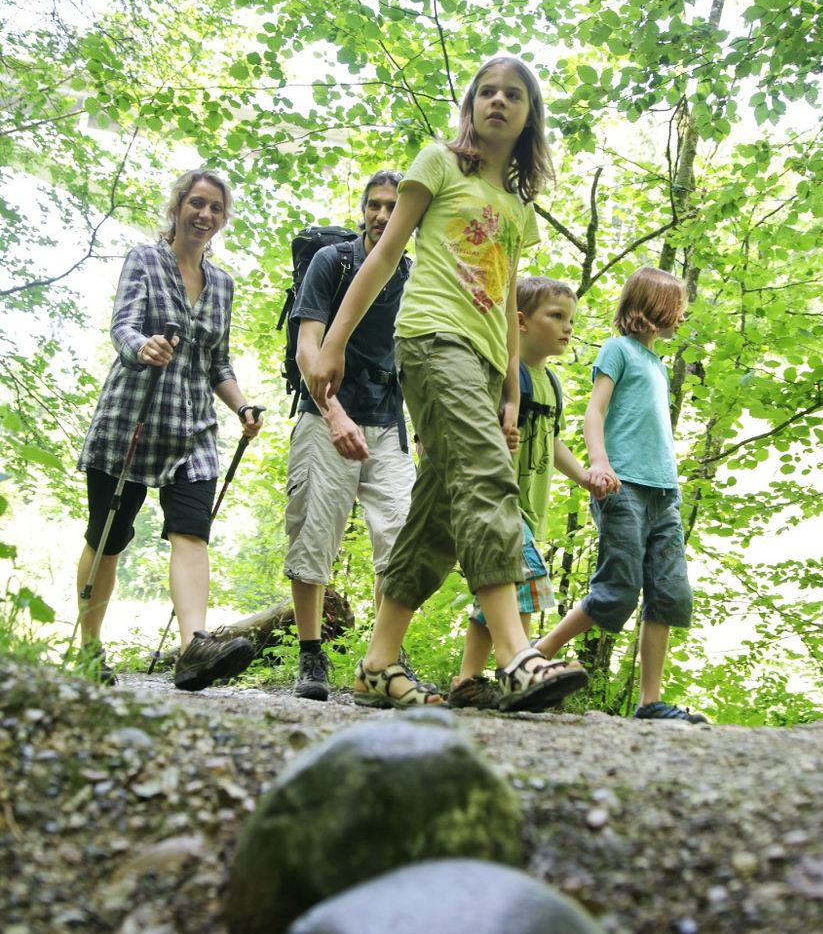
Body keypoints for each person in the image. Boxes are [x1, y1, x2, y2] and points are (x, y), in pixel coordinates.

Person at [308, 55, 588, 713]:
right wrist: (333, 342)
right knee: (491, 482)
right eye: (486, 91)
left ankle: (378, 664)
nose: (498, 101)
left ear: (529, 115)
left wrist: (514, 394)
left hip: (489, 366)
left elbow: (506, 305)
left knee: (435, 518)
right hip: (432, 340)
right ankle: (519, 656)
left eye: (513, 94)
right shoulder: (437, 162)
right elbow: (384, 254)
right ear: (471, 105)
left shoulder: (519, 207)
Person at [76, 169, 263, 690]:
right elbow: (123, 326)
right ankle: (90, 648)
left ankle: (193, 649)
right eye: (196, 204)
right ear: (178, 206)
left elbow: (217, 362)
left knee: (191, 531)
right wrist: (143, 347)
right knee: (108, 536)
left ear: (223, 219)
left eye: (216, 209)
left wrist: (242, 406)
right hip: (132, 417)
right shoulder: (145, 259)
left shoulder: (223, 284)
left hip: (193, 427)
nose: (205, 215)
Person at [535, 265, 708, 723]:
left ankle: (650, 702)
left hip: (664, 494)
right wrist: (599, 463)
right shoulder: (619, 351)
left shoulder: (656, 363)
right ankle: (537, 655)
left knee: (669, 594)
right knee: (617, 590)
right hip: (623, 487)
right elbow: (596, 413)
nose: (681, 316)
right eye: (677, 308)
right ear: (653, 309)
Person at [285, 170, 416, 701]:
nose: (383, 215)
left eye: (393, 206)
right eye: (375, 205)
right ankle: (311, 657)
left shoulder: (416, 274)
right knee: (313, 532)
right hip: (326, 414)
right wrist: (334, 414)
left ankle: (384, 661)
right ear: (363, 208)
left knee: (402, 540)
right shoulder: (332, 262)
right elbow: (306, 348)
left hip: (390, 420)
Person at [449, 275, 603, 708]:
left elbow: (551, 441)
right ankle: (520, 670)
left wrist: (584, 476)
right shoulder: (502, 370)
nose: (566, 327)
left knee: (500, 593)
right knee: (529, 585)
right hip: (496, 500)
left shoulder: (550, 383)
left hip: (529, 507)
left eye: (570, 319)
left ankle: (467, 682)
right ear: (520, 321)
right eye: (555, 317)